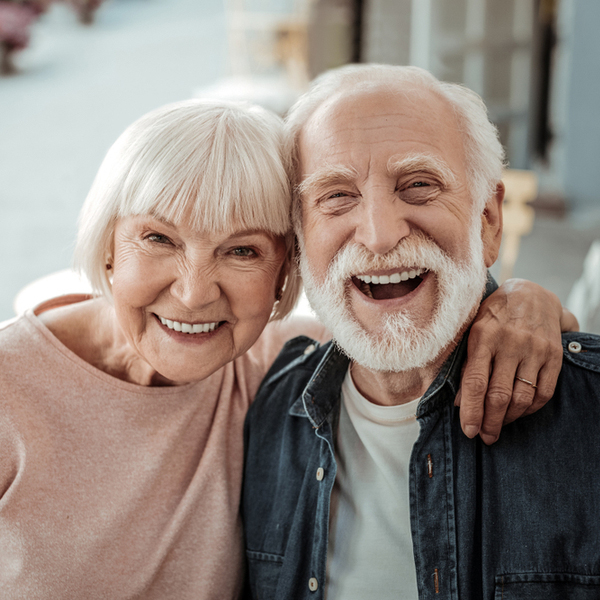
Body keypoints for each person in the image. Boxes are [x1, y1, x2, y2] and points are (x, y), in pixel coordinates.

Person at [0, 98, 573, 599]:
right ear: (107, 248)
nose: (195, 292)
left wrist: (521, 302)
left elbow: (412, 326)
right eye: (158, 239)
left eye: (242, 252)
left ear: (285, 274)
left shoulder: (275, 368)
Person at [241, 64, 600, 600]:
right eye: (337, 196)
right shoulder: (267, 405)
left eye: (418, 185)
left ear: (488, 221)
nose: (380, 235)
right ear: (298, 240)